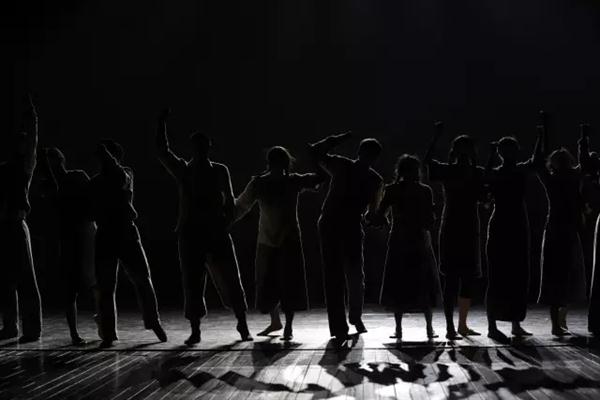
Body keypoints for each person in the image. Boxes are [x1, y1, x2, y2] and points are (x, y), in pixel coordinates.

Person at [155, 109, 251, 345]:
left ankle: (241, 324)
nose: (202, 149)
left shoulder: (215, 170)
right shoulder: (187, 170)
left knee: (228, 278)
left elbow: (229, 200)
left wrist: (226, 222)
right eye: (199, 146)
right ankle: (198, 330)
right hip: (193, 233)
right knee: (194, 283)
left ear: (208, 147)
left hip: (211, 231)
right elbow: (162, 152)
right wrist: (161, 124)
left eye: (203, 145)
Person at [235, 146, 322, 340]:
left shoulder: (290, 181)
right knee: (271, 283)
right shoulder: (263, 183)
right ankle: (279, 323)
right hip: (271, 240)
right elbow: (241, 205)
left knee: (286, 283)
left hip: (284, 240)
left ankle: (287, 326)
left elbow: (240, 205)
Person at [90, 139, 167, 348]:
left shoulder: (125, 173)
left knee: (142, 279)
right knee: (106, 286)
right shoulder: (96, 182)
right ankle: (108, 332)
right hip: (108, 233)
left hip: (124, 232)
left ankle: (152, 321)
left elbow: (117, 178)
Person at [309, 132, 383, 345]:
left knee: (349, 276)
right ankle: (343, 325)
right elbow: (314, 152)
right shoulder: (348, 167)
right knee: (341, 276)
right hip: (334, 224)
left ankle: (350, 320)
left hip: (343, 225)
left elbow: (372, 212)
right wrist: (338, 138)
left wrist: (377, 217)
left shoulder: (363, 175)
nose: (368, 159)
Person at [425, 122, 484, 340]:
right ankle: (452, 326)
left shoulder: (473, 172)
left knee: (465, 279)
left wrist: (436, 137)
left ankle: (461, 325)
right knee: (452, 280)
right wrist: (435, 138)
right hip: (454, 228)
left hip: (466, 228)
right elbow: (428, 162)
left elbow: (483, 195)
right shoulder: (452, 171)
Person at [372, 154, 441, 341]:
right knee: (420, 284)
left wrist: (382, 218)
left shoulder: (394, 190)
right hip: (417, 241)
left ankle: (401, 329)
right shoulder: (423, 190)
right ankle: (426, 328)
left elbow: (379, 215)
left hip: (403, 241)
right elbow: (429, 221)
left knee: (401, 284)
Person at [484, 129, 544, 342]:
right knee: (497, 276)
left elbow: (537, 160)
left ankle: (515, 324)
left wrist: (540, 137)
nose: (509, 154)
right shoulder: (498, 172)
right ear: (501, 153)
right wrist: (491, 155)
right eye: (505, 150)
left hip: (517, 224)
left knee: (518, 276)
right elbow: (486, 177)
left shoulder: (518, 170)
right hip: (503, 224)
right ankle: (492, 326)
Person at [42, 147, 96, 345]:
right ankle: (74, 332)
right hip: (67, 239)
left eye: (53, 160)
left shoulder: (77, 176)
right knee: (70, 288)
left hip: (85, 235)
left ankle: (104, 324)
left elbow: (93, 200)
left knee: (93, 281)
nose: (51, 166)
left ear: (61, 159)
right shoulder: (50, 186)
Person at [538, 123, 587, 336]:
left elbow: (540, 163)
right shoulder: (564, 178)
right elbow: (583, 162)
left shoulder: (556, 178)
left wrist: (542, 136)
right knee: (561, 276)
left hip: (561, 229)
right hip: (561, 230)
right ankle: (558, 323)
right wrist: (583, 140)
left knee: (561, 276)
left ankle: (558, 322)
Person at [0, 96, 43, 343]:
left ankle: (32, 328)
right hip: (4, 226)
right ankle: (10, 326)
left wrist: (32, 118)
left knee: (25, 277)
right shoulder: (5, 168)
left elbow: (34, 143)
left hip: (16, 224)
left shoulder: (24, 166)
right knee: (6, 278)